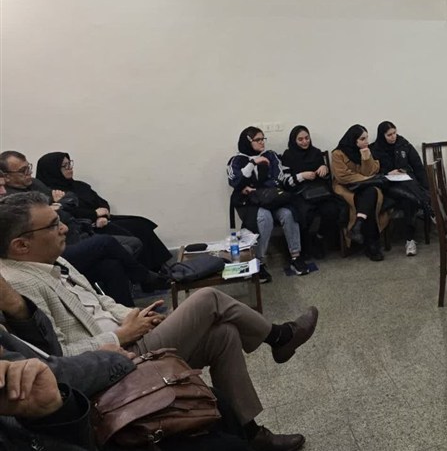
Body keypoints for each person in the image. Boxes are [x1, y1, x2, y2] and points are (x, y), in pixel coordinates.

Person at [0, 192, 316, 451]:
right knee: (208, 298)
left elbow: (102, 301)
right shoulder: (17, 286)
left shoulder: (53, 259)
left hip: (129, 337)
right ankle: (279, 336)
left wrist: (134, 316)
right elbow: (57, 358)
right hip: (113, 363)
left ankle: (250, 433)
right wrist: (121, 335)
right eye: (54, 225)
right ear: (20, 245)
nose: (65, 229)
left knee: (224, 334)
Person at [35, 152, 172, 272]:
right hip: (88, 228)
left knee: (141, 224)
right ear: (53, 171)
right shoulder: (52, 195)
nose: (70, 168)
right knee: (134, 231)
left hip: (104, 220)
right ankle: (150, 275)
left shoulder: (79, 185)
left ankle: (161, 269)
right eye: (64, 166)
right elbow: (71, 213)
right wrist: (95, 216)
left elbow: (101, 202)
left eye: (69, 164)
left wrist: (103, 214)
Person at [0, 151, 142, 256]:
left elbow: (71, 198)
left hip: (79, 230)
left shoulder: (35, 183)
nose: (29, 173)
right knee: (115, 249)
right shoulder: (8, 198)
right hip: (60, 242)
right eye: (23, 171)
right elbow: (38, 218)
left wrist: (58, 205)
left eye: (29, 168)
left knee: (135, 235)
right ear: (6, 176)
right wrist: (53, 206)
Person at [227, 127, 309, 276]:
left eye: (263, 139)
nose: (262, 142)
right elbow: (236, 183)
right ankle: (258, 261)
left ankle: (295, 256)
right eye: (257, 140)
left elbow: (278, 179)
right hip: (250, 203)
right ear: (248, 142)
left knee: (288, 214)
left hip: (272, 199)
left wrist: (255, 188)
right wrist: (253, 163)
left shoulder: (270, 156)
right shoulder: (237, 161)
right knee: (265, 217)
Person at [281, 126, 345, 259]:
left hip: (319, 192)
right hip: (299, 192)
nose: (305, 142)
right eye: (300, 139)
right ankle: (305, 244)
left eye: (307, 138)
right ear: (294, 141)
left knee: (332, 210)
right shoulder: (288, 156)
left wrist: (324, 168)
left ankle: (319, 238)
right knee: (305, 213)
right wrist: (301, 176)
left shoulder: (316, 152)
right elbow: (286, 182)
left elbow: (325, 178)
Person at [368, 121, 430, 257]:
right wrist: (388, 173)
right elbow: (372, 172)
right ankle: (427, 204)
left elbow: (417, 165)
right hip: (389, 186)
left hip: (407, 183)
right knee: (410, 197)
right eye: (389, 135)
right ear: (382, 135)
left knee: (408, 201)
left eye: (394, 133)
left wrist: (426, 186)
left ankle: (410, 240)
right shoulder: (374, 149)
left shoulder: (403, 144)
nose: (393, 137)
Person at [331, 125, 391, 262]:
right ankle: (372, 245)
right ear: (353, 140)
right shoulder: (337, 154)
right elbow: (343, 176)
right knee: (368, 199)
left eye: (367, 138)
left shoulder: (366, 151)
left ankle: (358, 226)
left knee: (371, 195)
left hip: (365, 187)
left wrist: (366, 158)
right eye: (362, 139)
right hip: (346, 188)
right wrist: (366, 179)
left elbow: (370, 172)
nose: (366, 142)